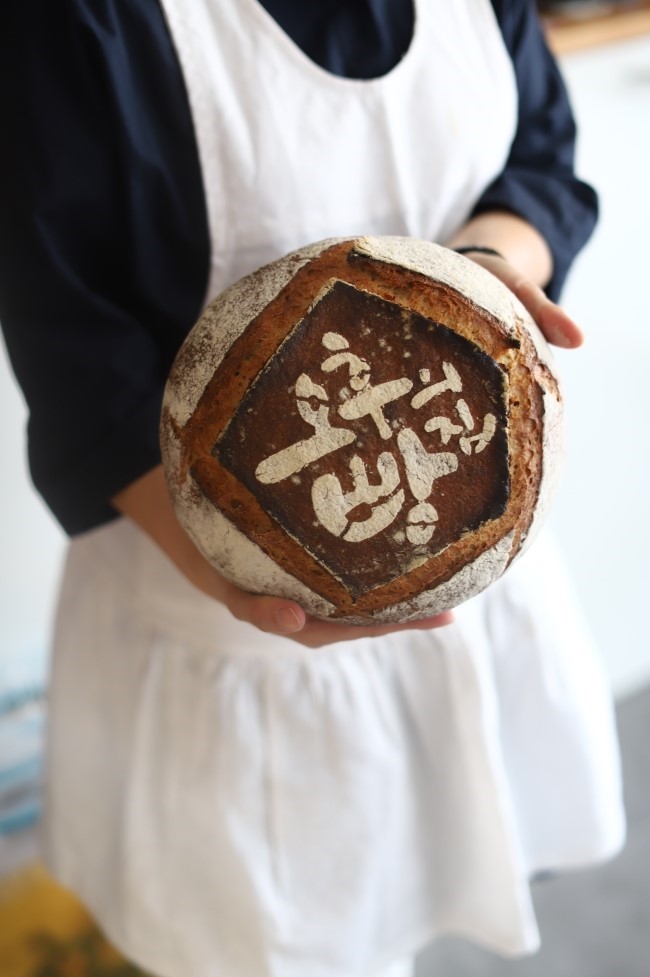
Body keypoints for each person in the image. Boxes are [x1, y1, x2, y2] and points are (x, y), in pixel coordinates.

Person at [0, 2, 625, 976]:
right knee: (278, 938)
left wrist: (481, 270)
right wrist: (231, 574)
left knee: (422, 874)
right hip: (219, 625)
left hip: (455, 540)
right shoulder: (76, 25)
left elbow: (537, 158)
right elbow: (75, 350)